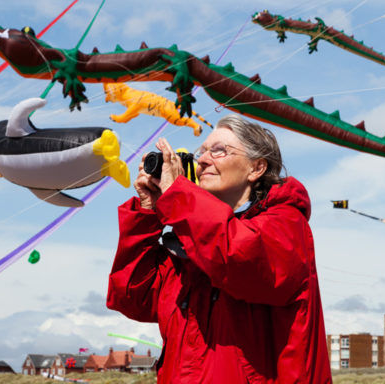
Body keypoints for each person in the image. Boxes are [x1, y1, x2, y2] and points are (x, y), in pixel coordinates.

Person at [107, 115, 332, 383]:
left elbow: (237, 257)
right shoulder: (192, 239)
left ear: (256, 168)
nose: (202, 160)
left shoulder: (286, 224)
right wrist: (149, 211)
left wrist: (179, 197)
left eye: (219, 150)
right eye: (201, 152)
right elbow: (132, 298)